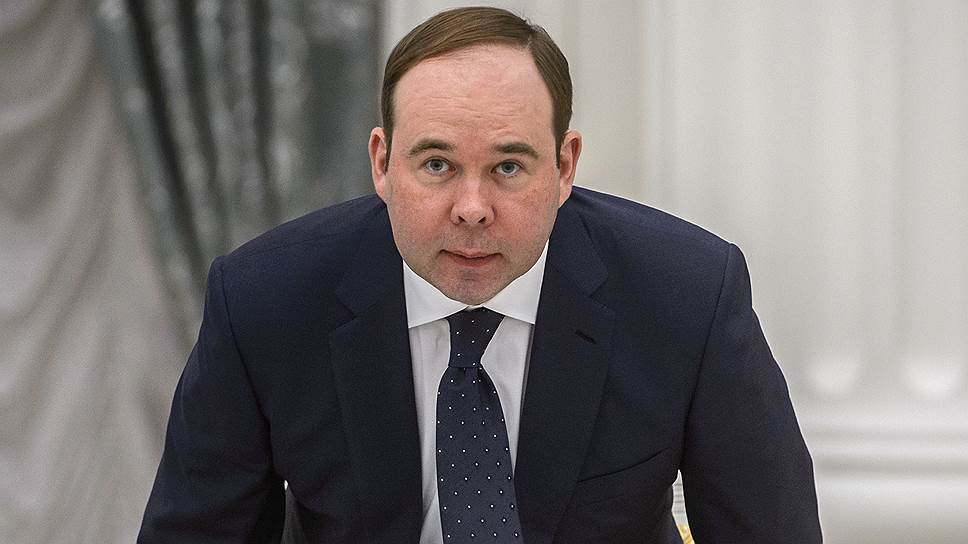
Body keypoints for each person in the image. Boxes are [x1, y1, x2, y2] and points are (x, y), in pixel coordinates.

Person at [139, 6, 821, 543]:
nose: (471, 208)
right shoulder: (264, 302)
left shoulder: (688, 295)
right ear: (382, 162)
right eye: (436, 165)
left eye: (508, 167)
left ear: (565, 166)